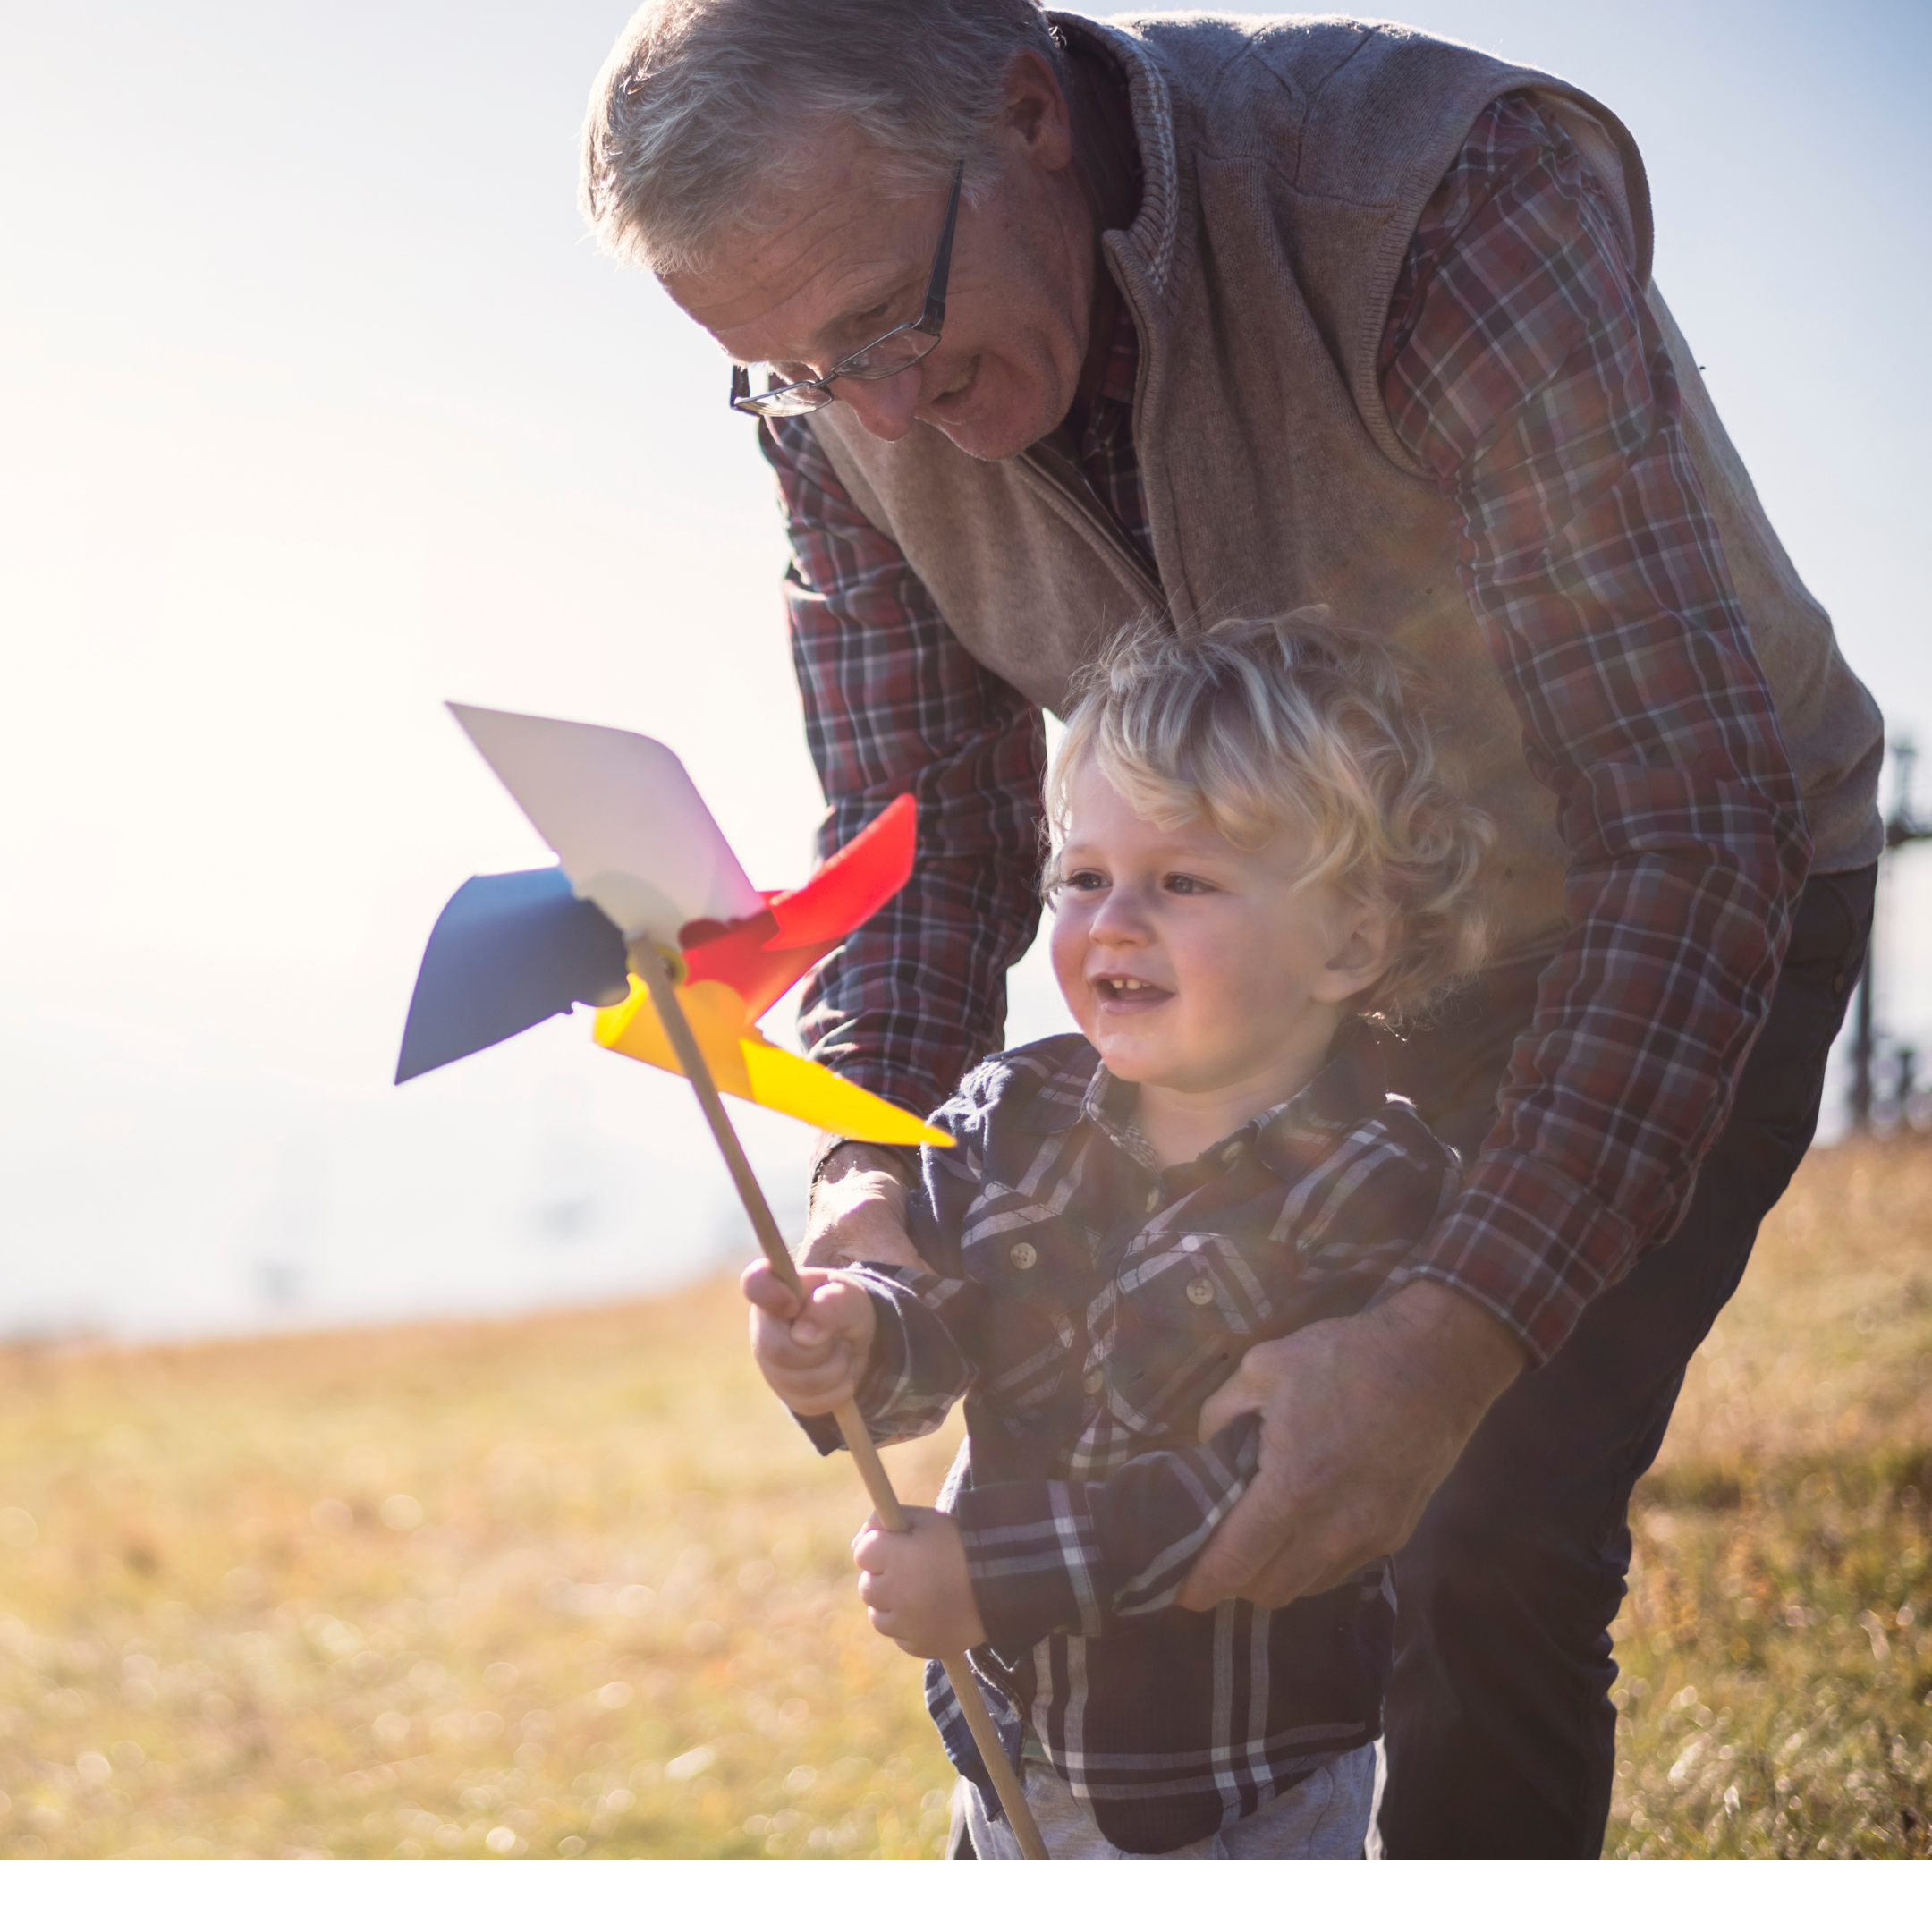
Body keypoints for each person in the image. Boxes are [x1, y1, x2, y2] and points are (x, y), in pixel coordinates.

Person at [580, 4, 1884, 1855]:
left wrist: (1448, 1339)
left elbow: (1685, 816)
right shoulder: (846, 393)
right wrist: (863, 1178)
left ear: (1029, 112)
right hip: (1242, 981)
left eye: (882, 327)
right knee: (1140, 1480)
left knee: (1476, 1527)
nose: (871, 412)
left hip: (1641, 898)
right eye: (788, 373)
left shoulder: (1439, 200)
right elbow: (925, 849)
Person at [745, 613, 1491, 1858]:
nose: (1116, 924)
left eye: (1184, 880)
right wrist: (853, 1341)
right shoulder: (1011, 1116)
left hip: (1234, 1796)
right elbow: (951, 1325)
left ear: (1349, 939)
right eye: (1084, 877)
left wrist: (990, 1575)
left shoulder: (1374, 1185)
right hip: (1007, 1757)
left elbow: (1264, 1486)